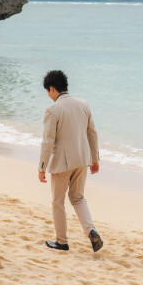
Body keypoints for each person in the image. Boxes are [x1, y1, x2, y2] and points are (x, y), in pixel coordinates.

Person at [39, 70, 103, 252]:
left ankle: (62, 241)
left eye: (48, 91)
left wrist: (42, 167)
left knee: (58, 201)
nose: (49, 96)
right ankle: (91, 231)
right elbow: (92, 133)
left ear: (52, 89)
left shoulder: (53, 109)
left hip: (62, 163)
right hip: (83, 159)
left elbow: (48, 141)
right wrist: (94, 159)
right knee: (78, 198)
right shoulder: (84, 104)